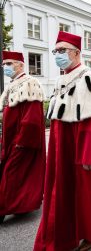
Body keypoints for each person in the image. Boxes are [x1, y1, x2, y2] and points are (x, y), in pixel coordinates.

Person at [34, 31, 91, 251]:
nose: (58, 55)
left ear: (77, 53)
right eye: (56, 51)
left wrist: (89, 153)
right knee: (63, 189)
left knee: (86, 192)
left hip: (81, 145)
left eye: (62, 51)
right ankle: (65, 229)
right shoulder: (62, 78)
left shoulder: (87, 77)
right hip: (62, 143)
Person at [0, 51, 45, 224]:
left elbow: (32, 118)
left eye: (9, 64)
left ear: (20, 64)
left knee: (12, 174)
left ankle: (3, 208)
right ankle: (20, 205)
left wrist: (22, 141)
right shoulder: (13, 84)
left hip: (22, 141)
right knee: (13, 174)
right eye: (4, 65)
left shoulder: (30, 83)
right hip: (12, 140)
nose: (6, 67)